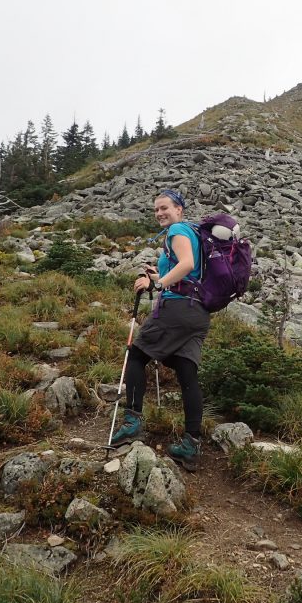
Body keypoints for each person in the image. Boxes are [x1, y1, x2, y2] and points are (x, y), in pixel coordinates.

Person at [110, 188, 210, 470]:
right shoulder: (193, 233)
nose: (160, 213)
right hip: (197, 313)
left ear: (180, 209)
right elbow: (189, 270)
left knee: (137, 355)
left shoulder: (177, 230)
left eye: (165, 207)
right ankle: (191, 444)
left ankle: (132, 423)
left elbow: (186, 264)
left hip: (176, 309)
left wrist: (156, 283)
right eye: (156, 210)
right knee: (187, 372)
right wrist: (159, 275)